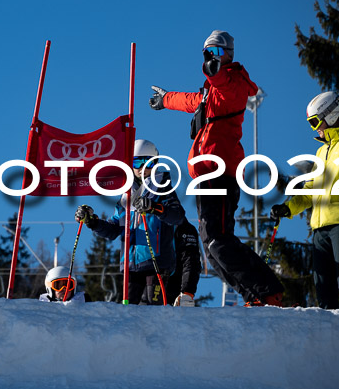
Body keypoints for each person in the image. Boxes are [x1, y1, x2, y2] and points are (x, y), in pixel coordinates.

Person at [149, 30, 284, 307]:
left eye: (218, 51)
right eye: (208, 52)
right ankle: (256, 296)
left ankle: (266, 291)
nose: (213, 56)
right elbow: (191, 101)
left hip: (219, 172)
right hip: (205, 174)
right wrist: (165, 100)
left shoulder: (232, 84)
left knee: (217, 242)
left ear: (229, 55)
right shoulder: (212, 90)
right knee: (212, 249)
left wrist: (214, 70)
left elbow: (220, 81)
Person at [271, 91, 339, 309]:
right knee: (323, 290)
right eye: (311, 123)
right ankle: (331, 335)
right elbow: (309, 191)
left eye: (315, 121)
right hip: (320, 227)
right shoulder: (321, 152)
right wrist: (287, 208)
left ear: (331, 114)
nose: (314, 128)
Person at [75, 139, 185, 305]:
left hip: (156, 261)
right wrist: (92, 222)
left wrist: (155, 207)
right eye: (137, 162)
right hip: (131, 265)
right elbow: (114, 228)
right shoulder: (126, 193)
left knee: (152, 310)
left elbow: (177, 216)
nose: (143, 168)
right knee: (129, 312)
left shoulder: (162, 187)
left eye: (148, 163)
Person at [166, 219, 202, 307]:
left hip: (172, 288)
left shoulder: (183, 227)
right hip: (146, 285)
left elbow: (191, 260)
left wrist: (187, 292)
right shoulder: (142, 222)